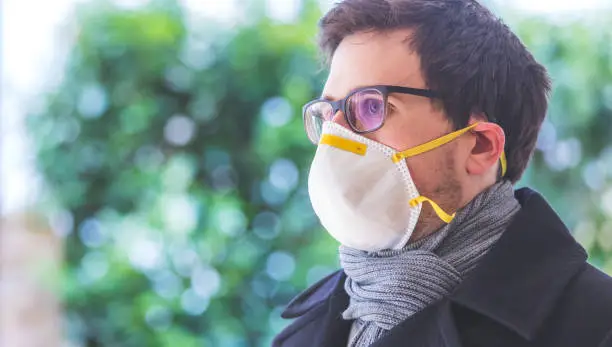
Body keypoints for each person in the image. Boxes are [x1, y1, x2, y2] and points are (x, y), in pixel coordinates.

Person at [272, 0, 612, 346]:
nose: (335, 138)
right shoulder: (302, 336)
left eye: (370, 107)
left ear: (479, 146)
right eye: (329, 114)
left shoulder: (596, 325)